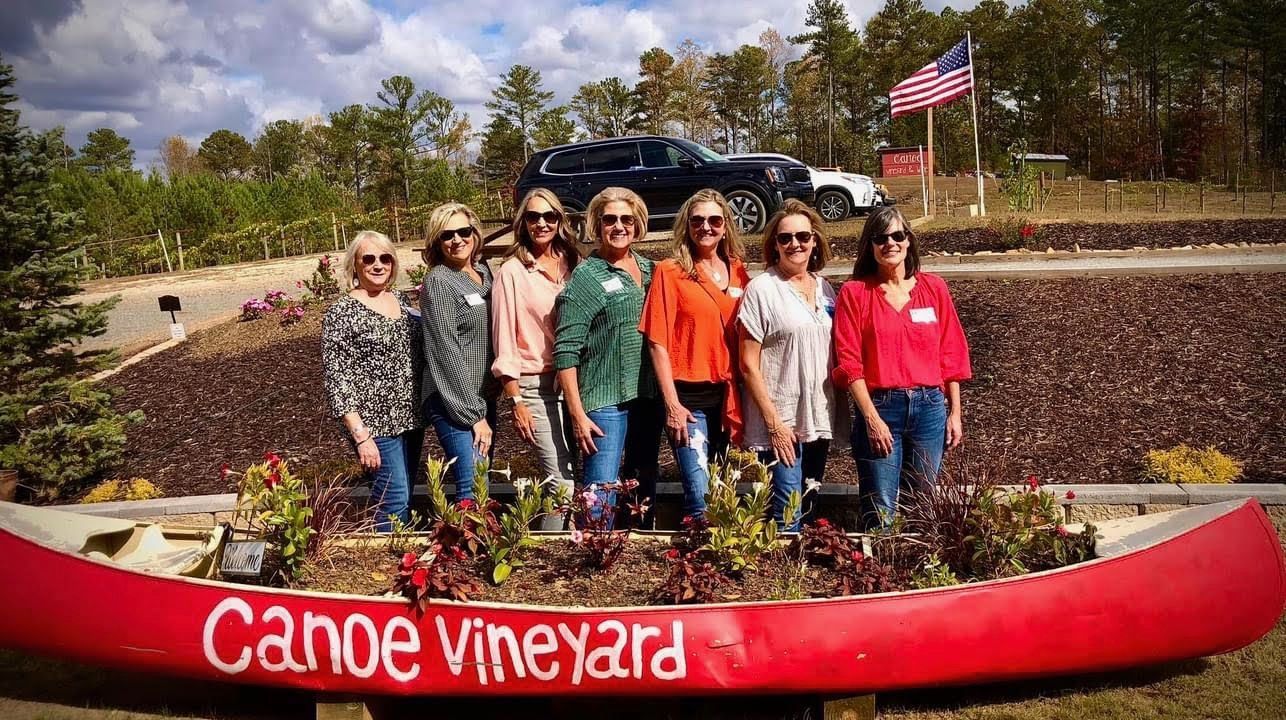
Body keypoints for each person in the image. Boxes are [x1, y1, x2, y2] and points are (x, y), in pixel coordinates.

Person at [832, 206, 972, 530]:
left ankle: (919, 575)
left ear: (909, 241)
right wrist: (871, 418)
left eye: (898, 235)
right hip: (881, 408)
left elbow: (950, 353)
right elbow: (849, 361)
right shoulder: (855, 294)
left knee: (921, 501)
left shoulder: (934, 289)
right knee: (880, 506)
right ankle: (882, 576)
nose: (890, 243)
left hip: (929, 409)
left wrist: (955, 413)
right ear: (870, 245)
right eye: (881, 238)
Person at [553, 187, 661, 527]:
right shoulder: (588, 276)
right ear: (597, 226)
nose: (618, 226)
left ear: (638, 224)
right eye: (609, 219)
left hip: (647, 397)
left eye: (626, 219)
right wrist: (577, 414)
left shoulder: (651, 270)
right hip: (604, 401)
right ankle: (595, 558)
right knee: (600, 494)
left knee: (642, 490)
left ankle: (635, 561)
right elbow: (566, 350)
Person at [640, 189, 750, 519]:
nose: (706, 227)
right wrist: (672, 404)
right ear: (686, 226)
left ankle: (715, 562)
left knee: (719, 487)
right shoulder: (670, 271)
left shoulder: (738, 270)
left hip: (727, 395)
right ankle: (697, 560)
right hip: (687, 398)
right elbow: (657, 341)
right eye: (697, 220)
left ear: (726, 225)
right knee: (699, 491)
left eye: (714, 220)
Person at [738, 199, 839, 530]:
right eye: (786, 238)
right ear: (774, 245)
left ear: (814, 241)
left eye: (803, 236)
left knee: (809, 497)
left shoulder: (824, 288)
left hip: (817, 414)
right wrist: (773, 423)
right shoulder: (762, 290)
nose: (795, 243)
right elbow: (748, 364)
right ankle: (780, 575)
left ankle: (800, 572)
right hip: (780, 418)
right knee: (787, 509)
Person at [322, 230, 423, 531]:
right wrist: (360, 436)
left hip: (411, 418)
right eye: (369, 259)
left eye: (385, 258)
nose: (378, 265)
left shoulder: (403, 301)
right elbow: (336, 377)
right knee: (392, 498)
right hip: (375, 425)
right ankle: (390, 562)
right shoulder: (341, 312)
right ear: (355, 264)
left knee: (404, 495)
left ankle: (403, 557)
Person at [491, 189, 580, 527]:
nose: (541, 223)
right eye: (533, 217)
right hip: (536, 386)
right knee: (560, 482)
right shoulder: (512, 272)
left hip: (576, 382)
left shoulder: (575, 264)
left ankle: (567, 541)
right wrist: (516, 401)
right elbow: (504, 342)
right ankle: (549, 551)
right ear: (522, 223)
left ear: (560, 220)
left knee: (577, 477)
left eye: (549, 216)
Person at [420, 202, 497, 501]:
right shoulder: (439, 281)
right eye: (447, 235)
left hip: (480, 397)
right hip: (451, 400)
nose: (457, 240)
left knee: (482, 476)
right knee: (473, 481)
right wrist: (473, 416)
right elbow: (444, 349)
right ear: (436, 242)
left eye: (463, 231)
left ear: (475, 234)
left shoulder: (483, 273)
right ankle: (463, 546)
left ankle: (474, 544)